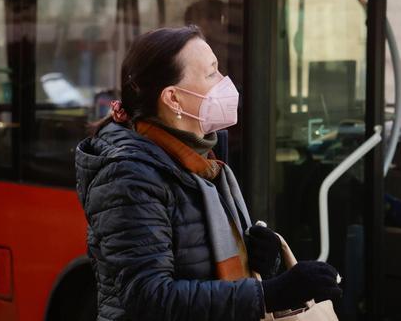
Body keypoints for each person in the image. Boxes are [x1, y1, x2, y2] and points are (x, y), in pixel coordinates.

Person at [75, 26, 341, 320]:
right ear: (173, 99)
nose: (224, 83)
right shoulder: (128, 175)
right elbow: (149, 296)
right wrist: (270, 293)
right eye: (211, 73)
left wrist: (261, 261)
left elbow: (200, 264)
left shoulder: (204, 160)